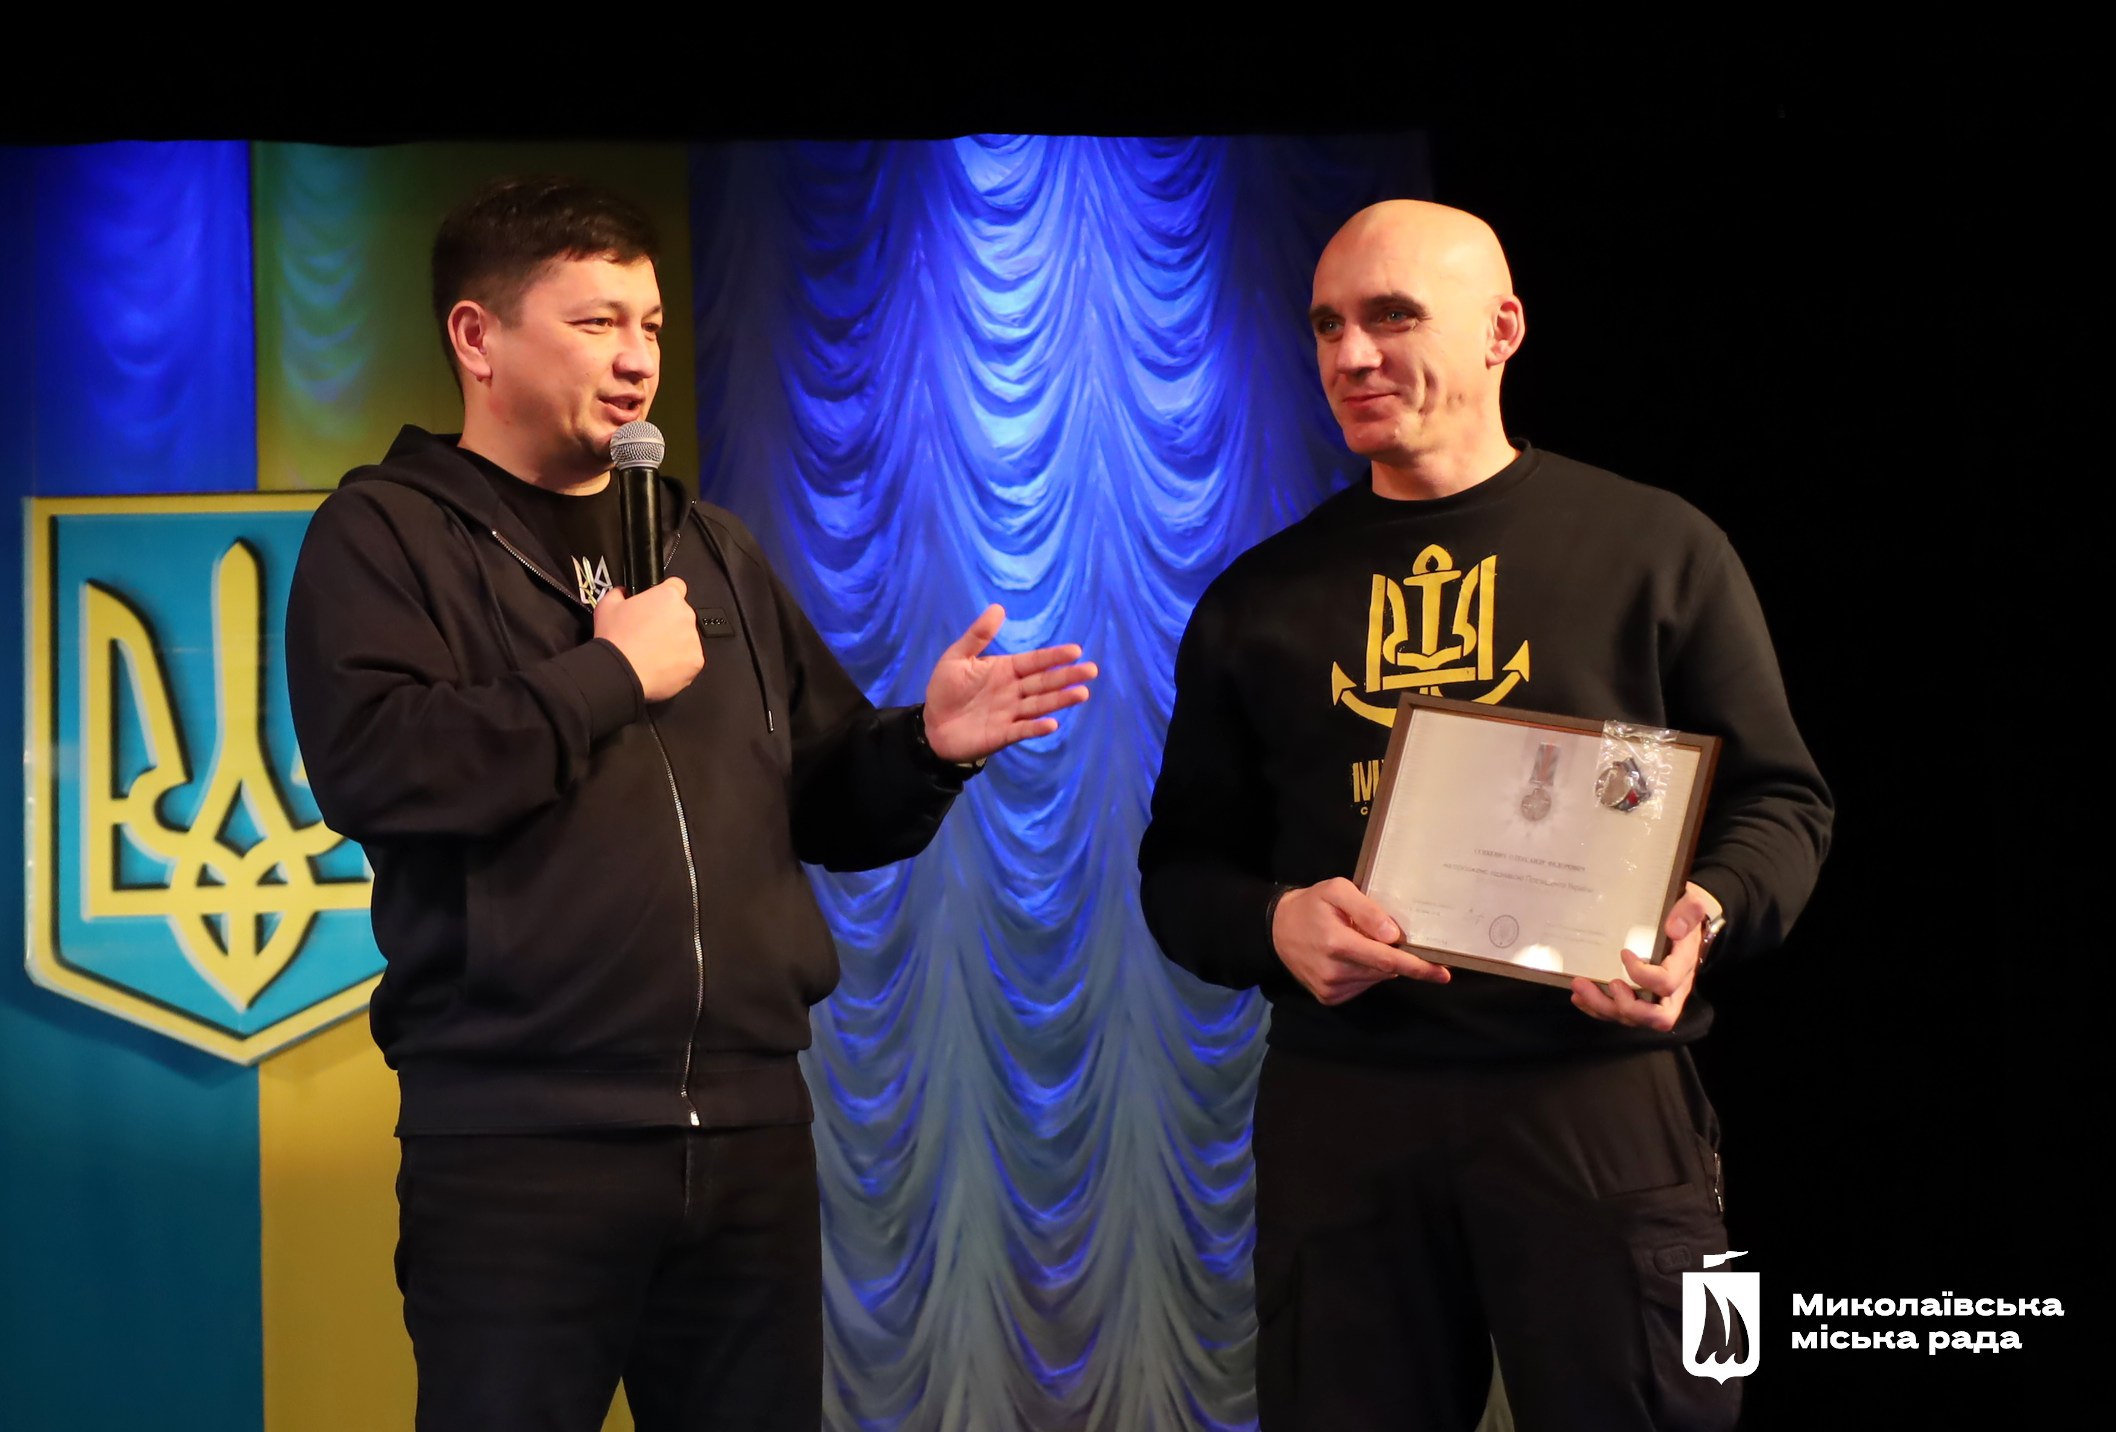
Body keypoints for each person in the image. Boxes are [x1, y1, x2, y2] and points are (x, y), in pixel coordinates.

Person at [284, 176, 1097, 1432]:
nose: (637, 360)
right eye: (596, 323)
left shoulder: (706, 546)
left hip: (750, 1134)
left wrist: (926, 746)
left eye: (652, 326)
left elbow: (822, 801)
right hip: (521, 1146)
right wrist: (608, 675)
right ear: (477, 338)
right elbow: (382, 764)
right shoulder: (387, 536)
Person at [1138, 200, 1832, 1431]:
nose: (1351, 355)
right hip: (1343, 1106)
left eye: (1392, 317)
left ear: (1502, 328)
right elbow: (1180, 871)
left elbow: (1783, 801)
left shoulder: (1658, 547)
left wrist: (1704, 915)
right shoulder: (1257, 599)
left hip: (1607, 1096)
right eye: (1327, 325)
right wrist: (1275, 923)